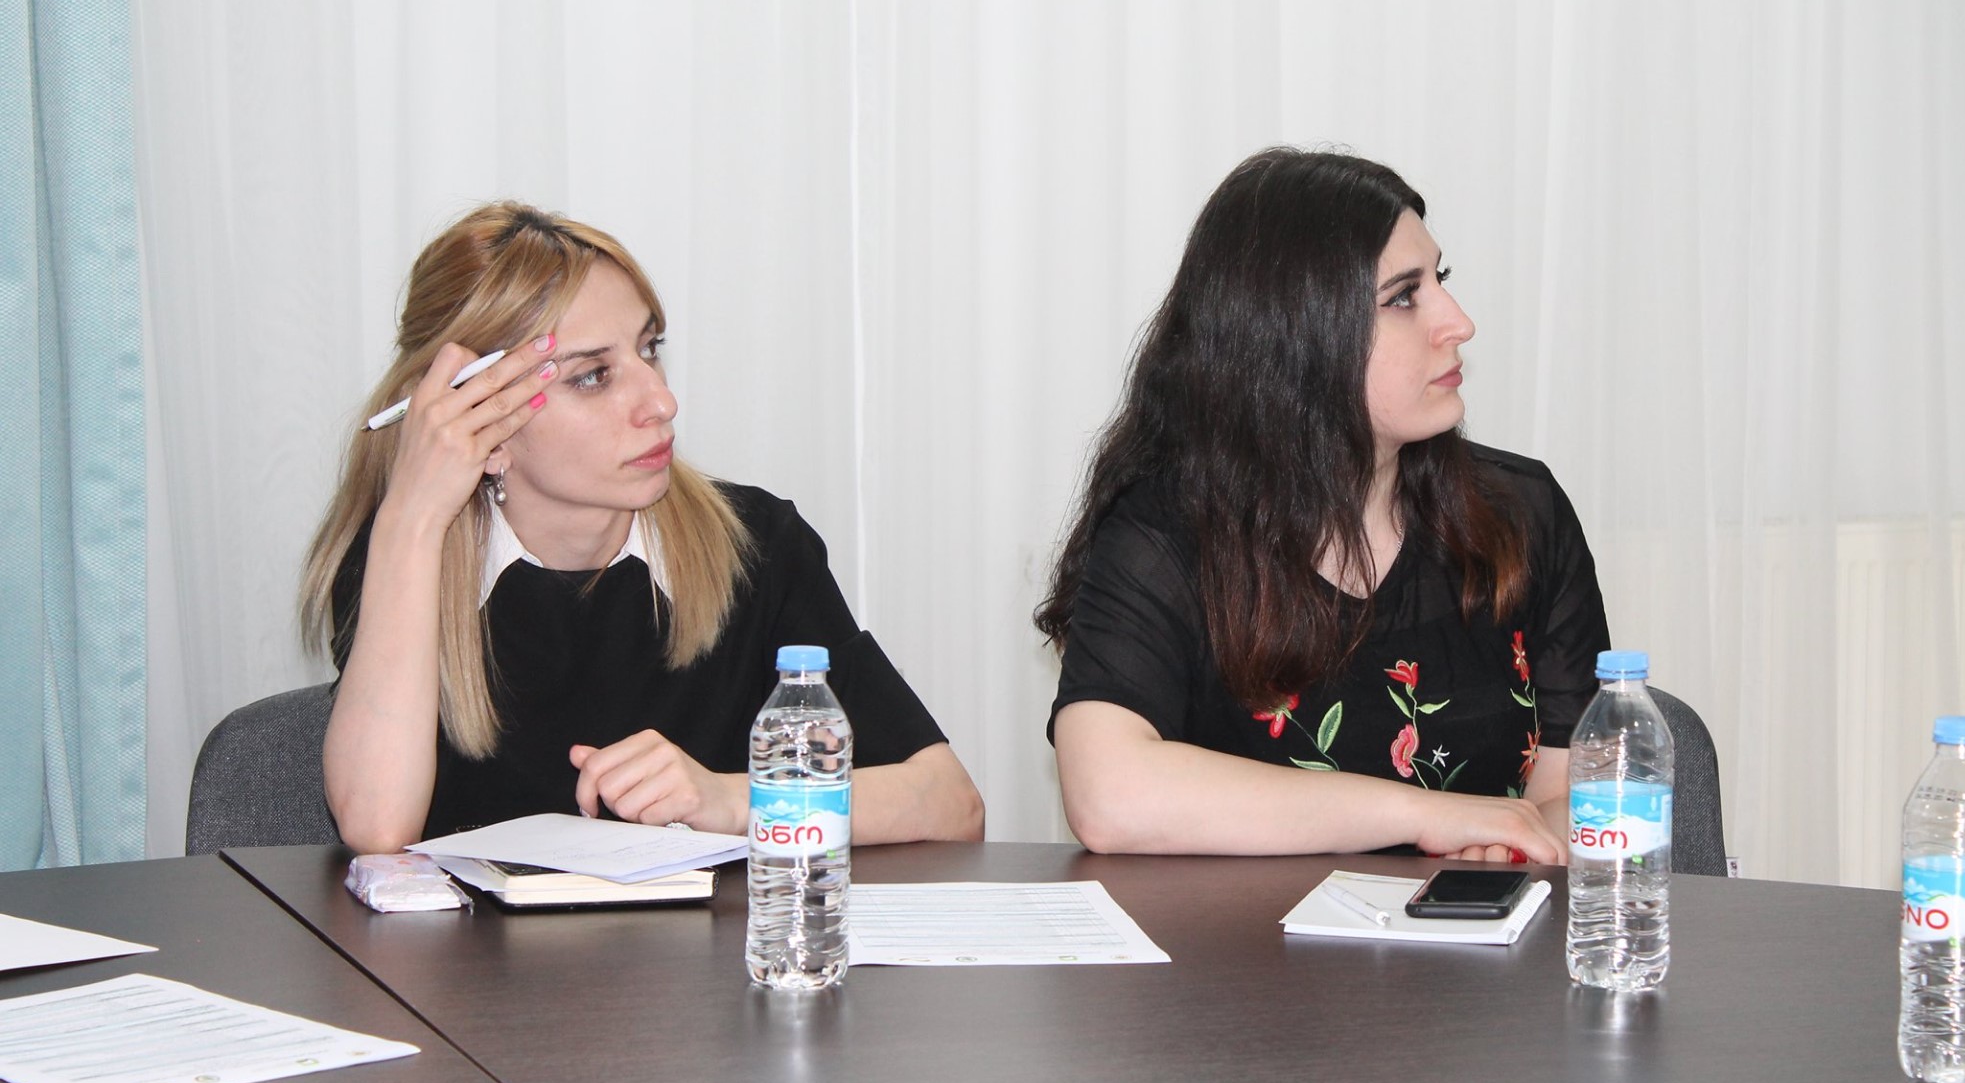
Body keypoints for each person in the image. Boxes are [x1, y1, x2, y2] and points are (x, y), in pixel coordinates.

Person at [301, 201, 984, 854]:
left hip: (706, 944)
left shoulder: (755, 545)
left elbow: (951, 804)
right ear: (482, 421)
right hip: (472, 944)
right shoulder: (402, 556)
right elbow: (376, 826)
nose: (661, 401)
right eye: (593, 375)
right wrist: (413, 516)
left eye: (649, 348)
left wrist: (730, 800)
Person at [1037, 148, 1607, 862]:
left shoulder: (1519, 512)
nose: (1458, 322)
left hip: (1472, 934)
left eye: (1440, 281)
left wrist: (1509, 848)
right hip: (1243, 938)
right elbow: (1110, 796)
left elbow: (1575, 789)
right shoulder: (1165, 535)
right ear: (1296, 337)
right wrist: (1426, 816)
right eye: (1404, 297)